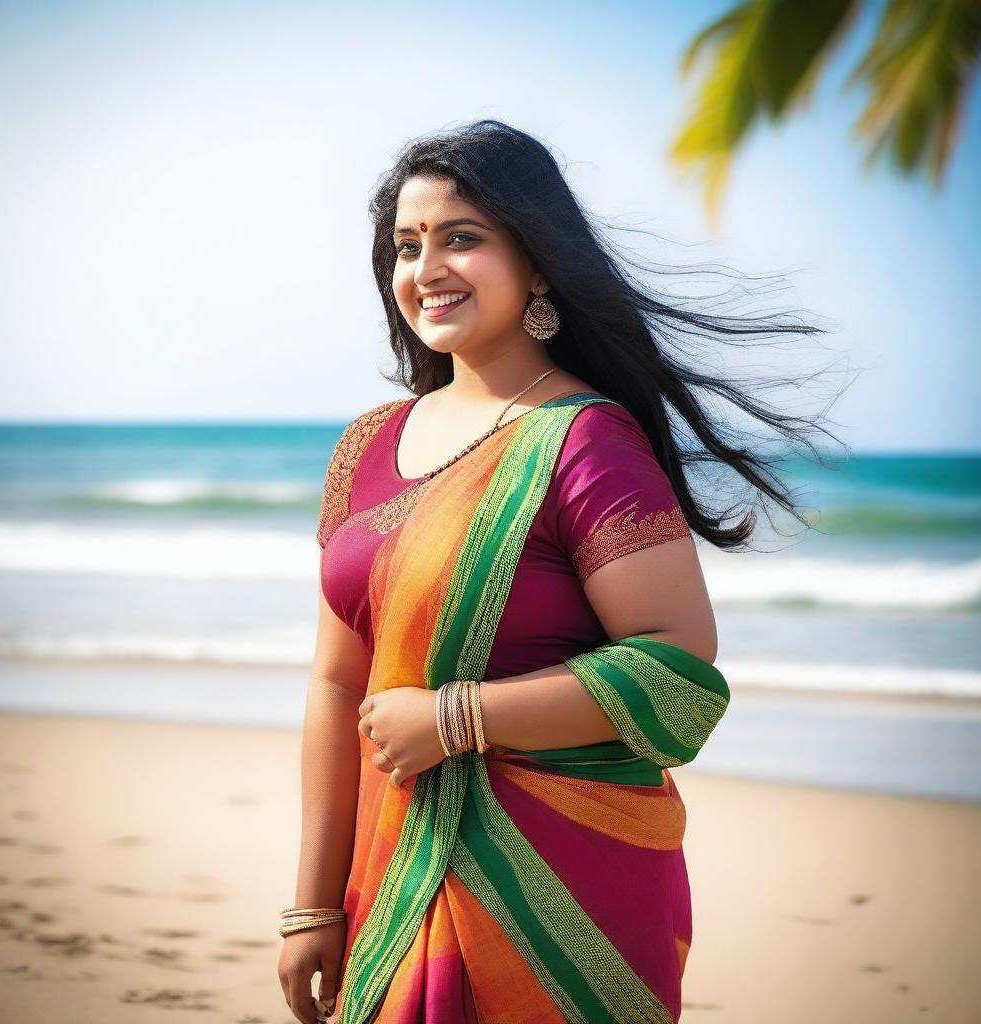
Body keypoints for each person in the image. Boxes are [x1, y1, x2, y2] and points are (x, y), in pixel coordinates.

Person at [277, 120, 835, 1024]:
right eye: (406, 246)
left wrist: (459, 717)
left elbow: (677, 667)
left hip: (554, 882)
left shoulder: (586, 440)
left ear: (537, 263)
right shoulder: (366, 445)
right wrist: (310, 904)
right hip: (390, 866)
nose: (427, 268)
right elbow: (336, 683)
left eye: (463, 237)